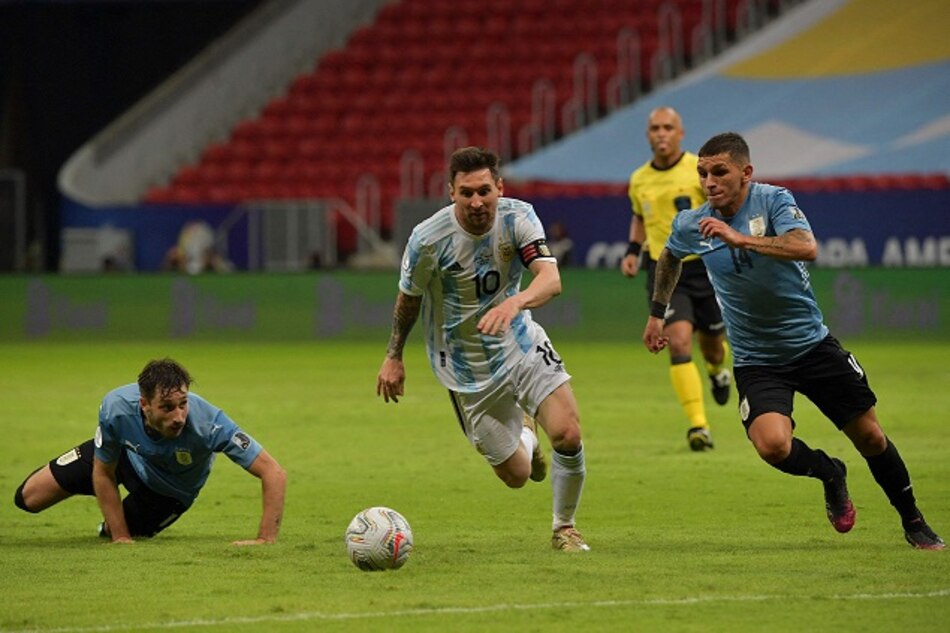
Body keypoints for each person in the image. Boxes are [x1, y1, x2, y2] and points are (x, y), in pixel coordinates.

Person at [642, 132, 944, 549]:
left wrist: (740, 239)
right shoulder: (693, 224)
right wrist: (657, 314)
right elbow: (670, 256)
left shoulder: (773, 201)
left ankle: (913, 521)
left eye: (719, 172)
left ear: (746, 172)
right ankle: (830, 472)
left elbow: (806, 247)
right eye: (702, 173)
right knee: (772, 446)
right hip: (756, 359)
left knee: (871, 437)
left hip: (811, 346)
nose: (709, 181)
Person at [376, 146, 589, 552]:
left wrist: (515, 303)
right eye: (467, 192)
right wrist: (393, 355)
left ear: (499, 187)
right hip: (465, 367)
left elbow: (550, 278)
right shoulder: (428, 239)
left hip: (520, 341)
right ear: (451, 192)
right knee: (517, 474)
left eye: (485, 191)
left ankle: (565, 529)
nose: (477, 202)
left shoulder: (518, 217)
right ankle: (526, 433)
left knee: (568, 432)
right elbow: (409, 299)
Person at [14, 358, 287, 545]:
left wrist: (265, 539)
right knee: (28, 497)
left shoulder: (210, 423)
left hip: (168, 492)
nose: (179, 416)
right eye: (168, 407)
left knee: (109, 530)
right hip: (126, 457)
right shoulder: (116, 408)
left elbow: (273, 472)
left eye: (183, 403)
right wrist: (122, 540)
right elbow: (103, 470)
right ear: (144, 404)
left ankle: (110, 526)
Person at [622, 106, 732, 452]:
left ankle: (717, 369)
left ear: (680, 133)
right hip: (664, 269)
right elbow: (640, 218)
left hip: (706, 267)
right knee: (680, 342)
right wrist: (632, 250)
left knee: (713, 346)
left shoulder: (699, 170)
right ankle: (698, 426)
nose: (661, 133)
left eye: (668, 127)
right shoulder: (639, 178)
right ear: (648, 135)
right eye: (655, 127)